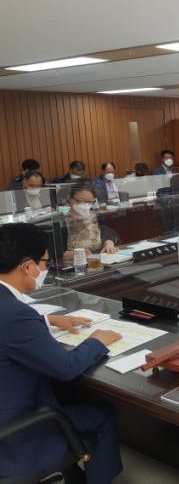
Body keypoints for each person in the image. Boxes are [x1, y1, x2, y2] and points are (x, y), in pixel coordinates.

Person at [0, 223, 123, 482]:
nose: (45, 269)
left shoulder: (10, 310)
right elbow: (66, 368)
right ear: (27, 267)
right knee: (103, 414)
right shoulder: (16, 315)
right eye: (44, 262)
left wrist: (48, 320)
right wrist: (96, 341)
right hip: (16, 434)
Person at [63, 181, 118, 261]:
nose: (85, 205)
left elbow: (106, 235)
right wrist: (76, 254)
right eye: (81, 200)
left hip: (100, 260)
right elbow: (56, 255)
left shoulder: (96, 216)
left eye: (89, 201)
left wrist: (109, 244)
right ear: (70, 200)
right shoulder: (63, 221)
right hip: (76, 263)